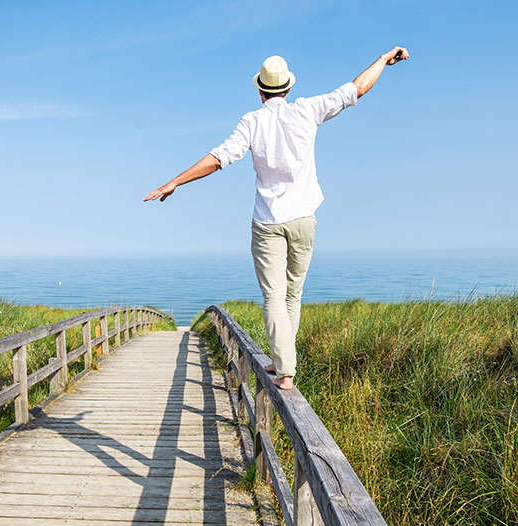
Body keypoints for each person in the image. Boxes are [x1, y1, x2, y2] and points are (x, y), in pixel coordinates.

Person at [144, 47, 409, 390]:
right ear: (288, 88)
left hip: (267, 221)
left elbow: (219, 158)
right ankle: (283, 363)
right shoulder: (307, 109)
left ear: (260, 91)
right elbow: (358, 88)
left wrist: (176, 181)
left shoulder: (252, 122)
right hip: (303, 219)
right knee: (292, 296)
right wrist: (383, 59)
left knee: (273, 296)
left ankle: (284, 368)